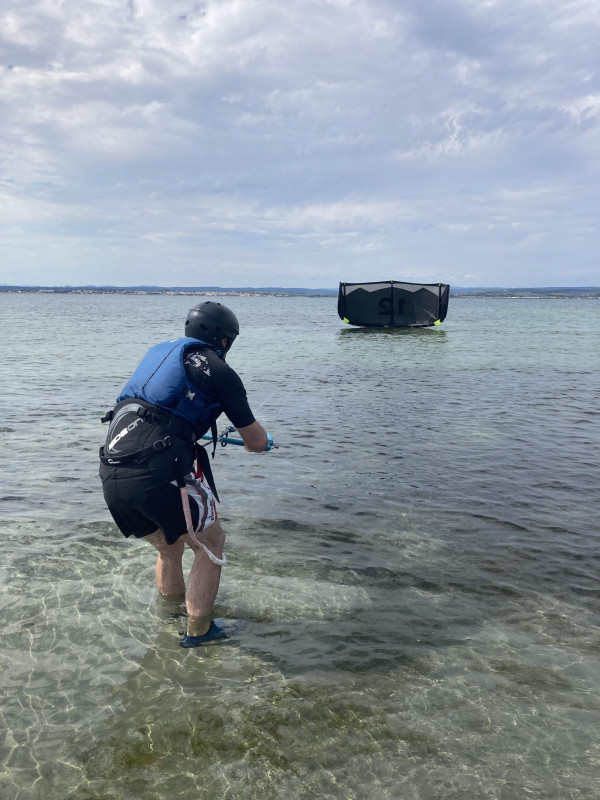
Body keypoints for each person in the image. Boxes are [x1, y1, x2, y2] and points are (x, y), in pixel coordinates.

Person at [98, 301, 272, 647]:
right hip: (160, 470)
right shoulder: (220, 371)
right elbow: (254, 441)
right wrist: (262, 444)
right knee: (211, 545)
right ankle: (199, 632)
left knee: (170, 547)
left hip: (112, 470)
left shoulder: (158, 353)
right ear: (225, 341)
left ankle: (170, 616)